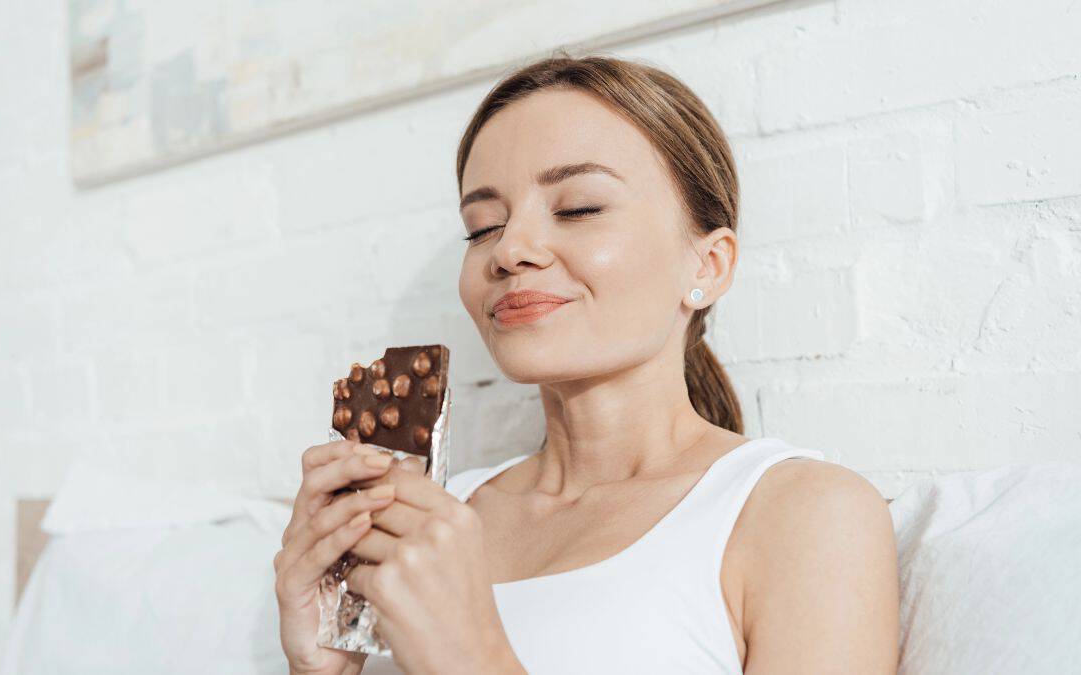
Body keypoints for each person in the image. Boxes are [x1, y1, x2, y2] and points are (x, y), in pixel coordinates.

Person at [273, 53, 900, 675]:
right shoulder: (427, 519)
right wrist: (320, 669)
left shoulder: (804, 514)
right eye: (482, 226)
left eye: (578, 209)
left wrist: (470, 657)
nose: (510, 250)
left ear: (707, 266)